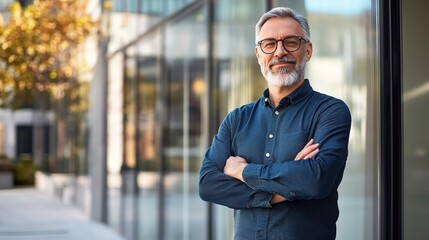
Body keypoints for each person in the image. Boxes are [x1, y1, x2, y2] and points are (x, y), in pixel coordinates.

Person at [199, 6, 352, 240]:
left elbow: (316, 179)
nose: (280, 52)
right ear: (259, 54)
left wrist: (242, 171)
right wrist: (282, 190)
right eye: (269, 44)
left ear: (307, 50)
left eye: (291, 42)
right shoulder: (237, 120)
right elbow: (208, 185)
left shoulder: (330, 111)